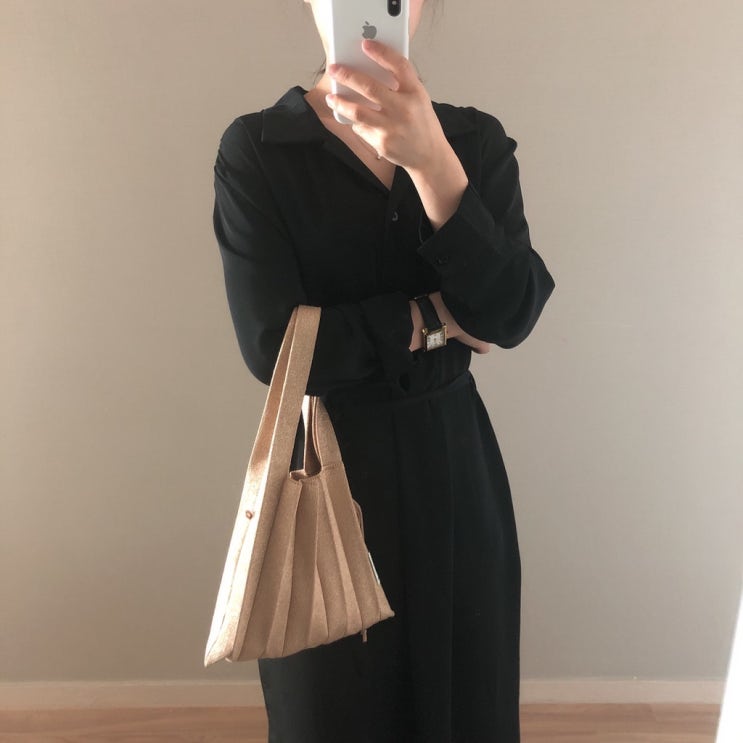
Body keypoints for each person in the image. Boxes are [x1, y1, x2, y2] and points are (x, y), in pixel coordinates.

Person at [211, 0, 555, 740]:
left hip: (455, 474)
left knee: (465, 708)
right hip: (320, 475)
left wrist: (432, 163)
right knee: (328, 713)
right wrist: (435, 318)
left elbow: (510, 311)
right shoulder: (260, 149)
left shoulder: (473, 142)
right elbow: (275, 349)